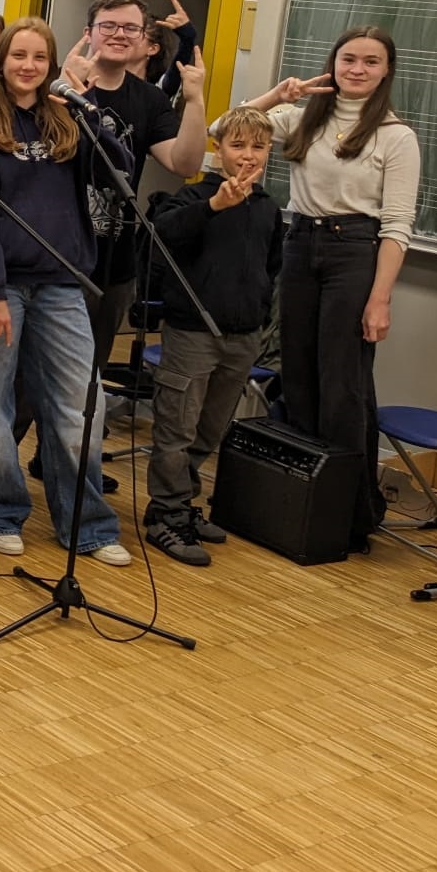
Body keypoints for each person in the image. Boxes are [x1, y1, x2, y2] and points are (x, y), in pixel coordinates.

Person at [222, 27, 420, 541]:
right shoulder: (304, 117)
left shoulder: (395, 136)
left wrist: (380, 300)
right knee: (299, 375)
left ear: (386, 72)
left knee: (342, 384)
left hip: (354, 252)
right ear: (333, 63)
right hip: (300, 243)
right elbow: (227, 128)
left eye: (370, 62)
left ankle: (348, 515)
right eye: (348, 59)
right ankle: (298, 501)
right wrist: (276, 95)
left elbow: (397, 226)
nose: (357, 70)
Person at [0, 19, 133, 564]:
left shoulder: (68, 123)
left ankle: (87, 525)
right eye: (18, 55)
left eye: (40, 57)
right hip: (3, 286)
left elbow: (119, 173)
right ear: (1, 62)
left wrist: (87, 111)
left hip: (62, 285)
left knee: (81, 406)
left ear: (53, 65)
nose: (28, 66)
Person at [142, 108, 283, 565]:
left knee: (210, 429)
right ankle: (164, 514)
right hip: (192, 334)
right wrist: (215, 207)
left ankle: (183, 501)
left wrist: (259, 317)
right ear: (218, 150)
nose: (247, 156)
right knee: (176, 428)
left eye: (257, 147)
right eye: (237, 145)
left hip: (242, 336)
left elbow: (272, 267)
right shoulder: (191, 199)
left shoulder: (267, 208)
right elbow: (163, 239)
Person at [59, 0, 206, 381]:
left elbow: (184, 163)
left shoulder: (150, 99)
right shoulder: (56, 89)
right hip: (55, 256)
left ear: (144, 38)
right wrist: (66, 88)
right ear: (88, 32)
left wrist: (195, 101)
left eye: (130, 28)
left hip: (114, 260)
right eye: (109, 26)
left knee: (88, 379)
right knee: (32, 384)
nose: (119, 34)